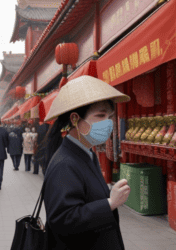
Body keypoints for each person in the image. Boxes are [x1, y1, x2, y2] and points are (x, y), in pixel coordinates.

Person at [39, 75, 130, 250]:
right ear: (74, 119)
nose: (108, 123)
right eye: (100, 115)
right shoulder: (65, 164)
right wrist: (110, 203)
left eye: (110, 116)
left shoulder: (86, 153)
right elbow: (62, 220)